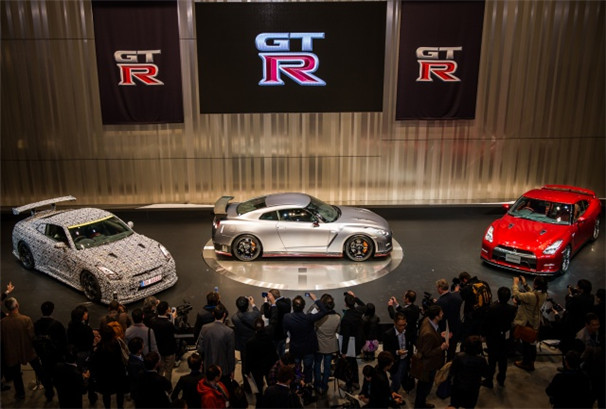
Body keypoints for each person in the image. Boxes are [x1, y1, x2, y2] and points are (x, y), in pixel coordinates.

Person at [0, 297, 45, 401]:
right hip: (27, 350)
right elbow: (32, 336)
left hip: (11, 352)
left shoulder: (2, 323)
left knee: (16, 375)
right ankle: (48, 388)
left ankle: (20, 394)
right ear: (17, 305)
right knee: (38, 369)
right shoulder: (26, 319)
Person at [282, 293, 327, 385]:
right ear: (303, 307)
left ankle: (298, 385)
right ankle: (307, 385)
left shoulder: (287, 317)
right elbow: (324, 311)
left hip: (295, 349)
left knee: (297, 369)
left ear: (293, 306)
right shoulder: (309, 318)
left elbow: (284, 332)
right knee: (308, 369)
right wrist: (315, 299)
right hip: (308, 349)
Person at [414, 304, 448, 409]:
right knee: (424, 388)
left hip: (428, 364)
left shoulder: (427, 321)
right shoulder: (429, 333)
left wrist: (440, 336)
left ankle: (421, 403)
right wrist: (441, 348)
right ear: (436, 316)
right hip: (428, 366)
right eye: (441, 313)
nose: (443, 314)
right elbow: (427, 352)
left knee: (423, 387)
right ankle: (420, 405)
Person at [482, 286, 516, 388]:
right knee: (503, 360)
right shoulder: (512, 309)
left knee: (492, 361)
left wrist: (484, 335)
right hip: (505, 339)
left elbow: (486, 324)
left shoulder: (492, 308)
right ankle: (501, 379)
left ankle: (489, 380)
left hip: (493, 338)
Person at [34, 300, 67, 402]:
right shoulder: (57, 325)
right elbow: (64, 340)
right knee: (58, 377)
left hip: (43, 355)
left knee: (46, 375)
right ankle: (61, 396)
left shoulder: (37, 324)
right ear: (52, 310)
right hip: (56, 355)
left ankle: (49, 393)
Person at [512, 275, 548, 371]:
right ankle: (531, 362)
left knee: (526, 343)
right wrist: (525, 284)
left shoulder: (531, 296)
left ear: (536, 285)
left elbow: (517, 295)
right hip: (535, 322)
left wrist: (515, 284)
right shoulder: (544, 294)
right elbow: (533, 293)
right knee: (532, 344)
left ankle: (525, 362)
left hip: (527, 321)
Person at [89, 323, 128, 409]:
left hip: (104, 375)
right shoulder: (116, 344)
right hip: (117, 373)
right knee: (120, 393)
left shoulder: (100, 347)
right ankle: (120, 407)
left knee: (106, 394)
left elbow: (95, 362)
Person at [197, 303, 236, 383]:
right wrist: (232, 370)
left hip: (208, 367)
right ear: (224, 315)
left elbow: (200, 349)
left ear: (213, 314)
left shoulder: (204, 328)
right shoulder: (229, 332)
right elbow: (230, 354)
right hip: (223, 370)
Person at [66, 304, 97, 405]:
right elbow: (91, 341)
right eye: (85, 313)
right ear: (81, 316)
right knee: (89, 375)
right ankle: (92, 396)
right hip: (86, 354)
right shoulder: (86, 329)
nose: (87, 314)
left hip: (76, 355)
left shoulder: (70, 327)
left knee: (78, 375)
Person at [448, 335, 489, 409]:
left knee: (454, 405)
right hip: (472, 389)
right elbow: (485, 374)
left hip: (458, 387)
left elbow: (452, 372)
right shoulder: (481, 360)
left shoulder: (458, 357)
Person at [245, 317, 279, 403]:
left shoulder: (250, 342)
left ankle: (260, 403)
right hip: (268, 366)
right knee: (271, 385)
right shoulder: (269, 339)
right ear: (263, 327)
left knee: (258, 389)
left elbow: (248, 359)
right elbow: (274, 355)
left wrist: (247, 371)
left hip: (256, 369)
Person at [313, 293, 340, 397]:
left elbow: (313, 328)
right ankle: (324, 386)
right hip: (330, 345)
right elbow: (337, 330)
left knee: (317, 365)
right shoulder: (337, 317)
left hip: (319, 345)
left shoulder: (318, 318)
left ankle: (317, 385)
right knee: (327, 366)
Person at [339, 291, 366, 391]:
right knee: (353, 363)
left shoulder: (346, 318)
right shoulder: (359, 312)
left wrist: (344, 351)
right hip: (358, 342)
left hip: (350, 345)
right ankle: (356, 382)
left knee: (349, 366)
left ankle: (349, 385)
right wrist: (355, 297)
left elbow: (345, 337)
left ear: (345, 304)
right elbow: (363, 305)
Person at [231, 295, 261, 388]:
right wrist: (252, 304)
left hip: (243, 344)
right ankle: (258, 383)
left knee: (244, 365)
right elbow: (258, 312)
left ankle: (247, 385)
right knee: (256, 363)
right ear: (247, 305)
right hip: (254, 343)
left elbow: (238, 314)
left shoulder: (234, 318)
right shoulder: (254, 315)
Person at [382, 312, 413, 394]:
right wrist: (397, 352)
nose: (402, 327)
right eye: (400, 325)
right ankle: (392, 394)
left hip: (405, 359)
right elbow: (386, 351)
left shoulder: (407, 331)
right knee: (396, 381)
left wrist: (411, 356)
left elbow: (410, 345)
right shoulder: (388, 334)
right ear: (395, 323)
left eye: (404, 325)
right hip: (395, 362)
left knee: (403, 376)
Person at [435, 278, 462, 361]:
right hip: (456, 328)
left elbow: (442, 319)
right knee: (452, 352)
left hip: (445, 331)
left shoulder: (440, 303)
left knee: (442, 350)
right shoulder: (457, 297)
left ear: (440, 288)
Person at [150, 301, 178, 382]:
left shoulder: (153, 322)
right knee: (168, 370)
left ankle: (159, 385)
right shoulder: (168, 324)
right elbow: (176, 330)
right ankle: (167, 385)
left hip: (159, 349)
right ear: (166, 311)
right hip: (169, 350)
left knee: (160, 369)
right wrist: (174, 319)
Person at [262, 289, 292, 357]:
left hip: (276, 333)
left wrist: (266, 302)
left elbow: (267, 314)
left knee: (275, 353)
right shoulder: (287, 302)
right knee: (282, 351)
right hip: (284, 332)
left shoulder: (276, 306)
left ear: (272, 296)